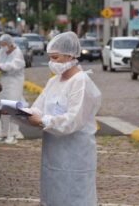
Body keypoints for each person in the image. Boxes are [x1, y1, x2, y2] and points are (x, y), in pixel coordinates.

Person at [27, 31, 102, 206]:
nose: (51, 63)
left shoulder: (81, 82)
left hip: (75, 156)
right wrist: (19, 112)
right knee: (53, 198)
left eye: (55, 57)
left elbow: (72, 120)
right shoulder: (54, 82)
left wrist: (43, 121)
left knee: (75, 199)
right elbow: (38, 107)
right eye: (50, 58)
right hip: (53, 156)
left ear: (70, 55)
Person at [0, 34, 26, 144]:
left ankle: (14, 134)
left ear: (10, 44)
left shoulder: (18, 53)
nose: (2, 47)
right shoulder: (1, 52)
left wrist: (0, 66)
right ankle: (4, 133)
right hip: (4, 83)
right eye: (1, 45)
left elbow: (13, 66)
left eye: (4, 45)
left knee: (14, 108)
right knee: (4, 108)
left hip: (15, 83)